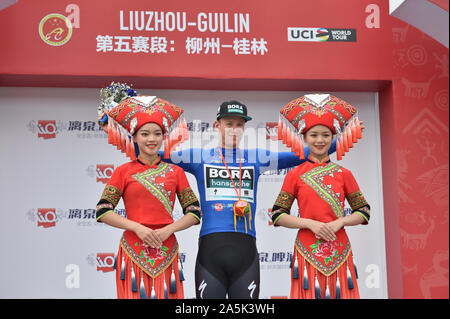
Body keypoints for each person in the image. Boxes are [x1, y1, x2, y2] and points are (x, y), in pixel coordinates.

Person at [95, 91, 201, 299]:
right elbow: (103, 211)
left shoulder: (176, 172)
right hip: (133, 249)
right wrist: (136, 227)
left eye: (157, 133)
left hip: (166, 248)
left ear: (164, 137)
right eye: (145, 134)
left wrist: (168, 230)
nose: (151, 139)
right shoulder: (123, 172)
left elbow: (194, 212)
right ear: (134, 137)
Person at [269, 94, 370, 299]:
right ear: (304, 138)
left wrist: (339, 222)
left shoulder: (344, 174)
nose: (320, 140)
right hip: (307, 251)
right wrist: (310, 224)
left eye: (326, 135)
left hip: (339, 249)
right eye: (314, 135)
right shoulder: (294, 175)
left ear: (333, 138)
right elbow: (278, 215)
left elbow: (364, 212)